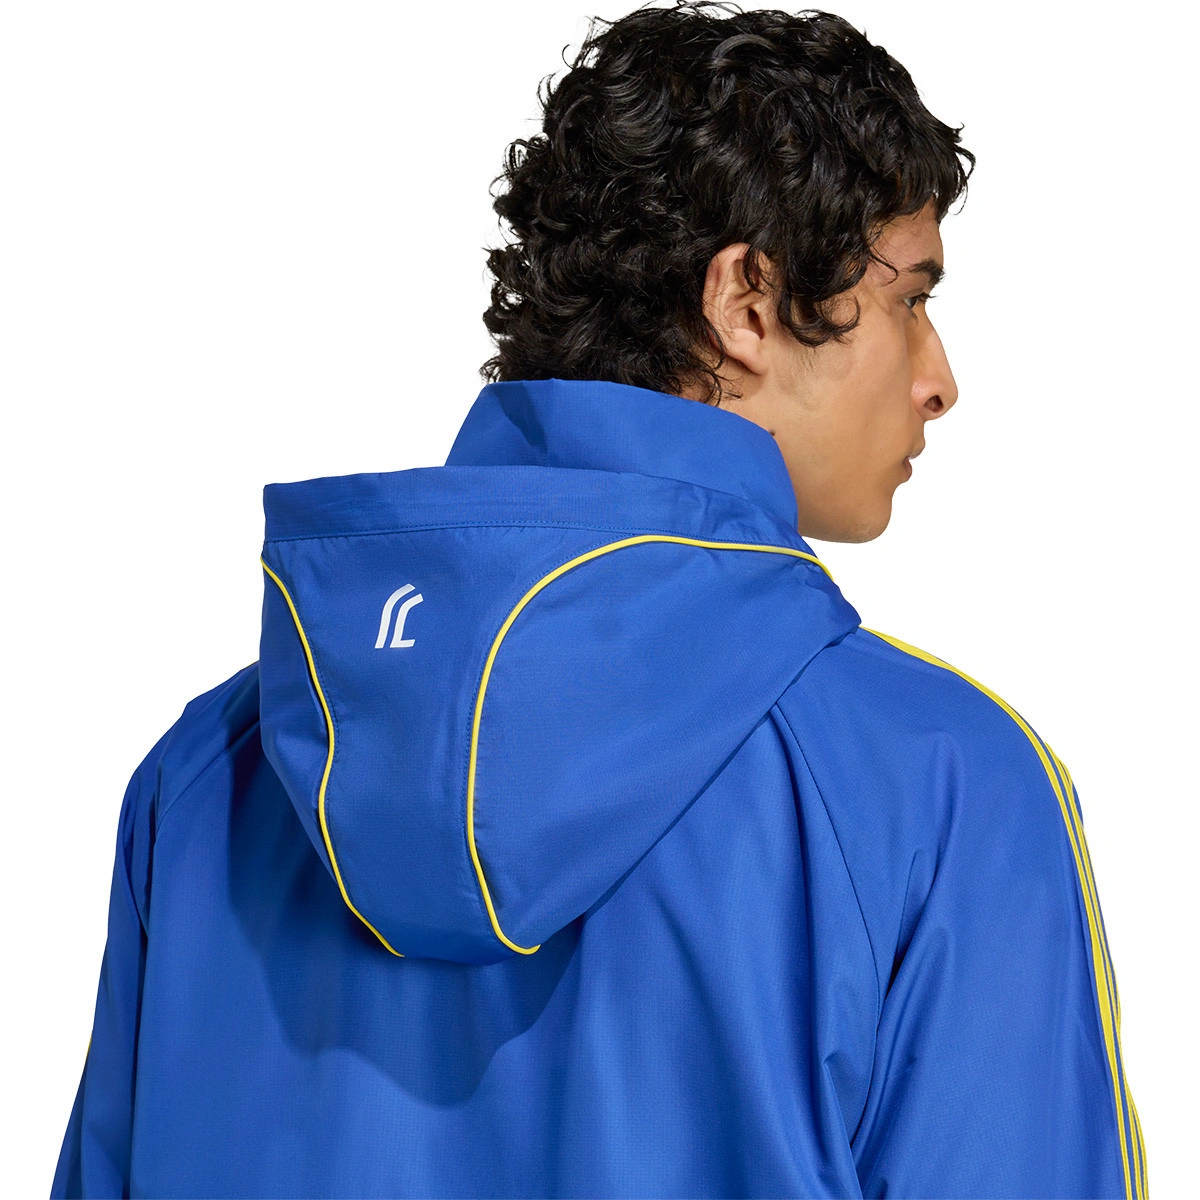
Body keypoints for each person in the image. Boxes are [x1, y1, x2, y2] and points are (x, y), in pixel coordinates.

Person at [52, 3, 1145, 1197]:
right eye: (911, 297)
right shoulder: (945, 787)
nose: (940, 381)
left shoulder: (212, 778)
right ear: (747, 302)